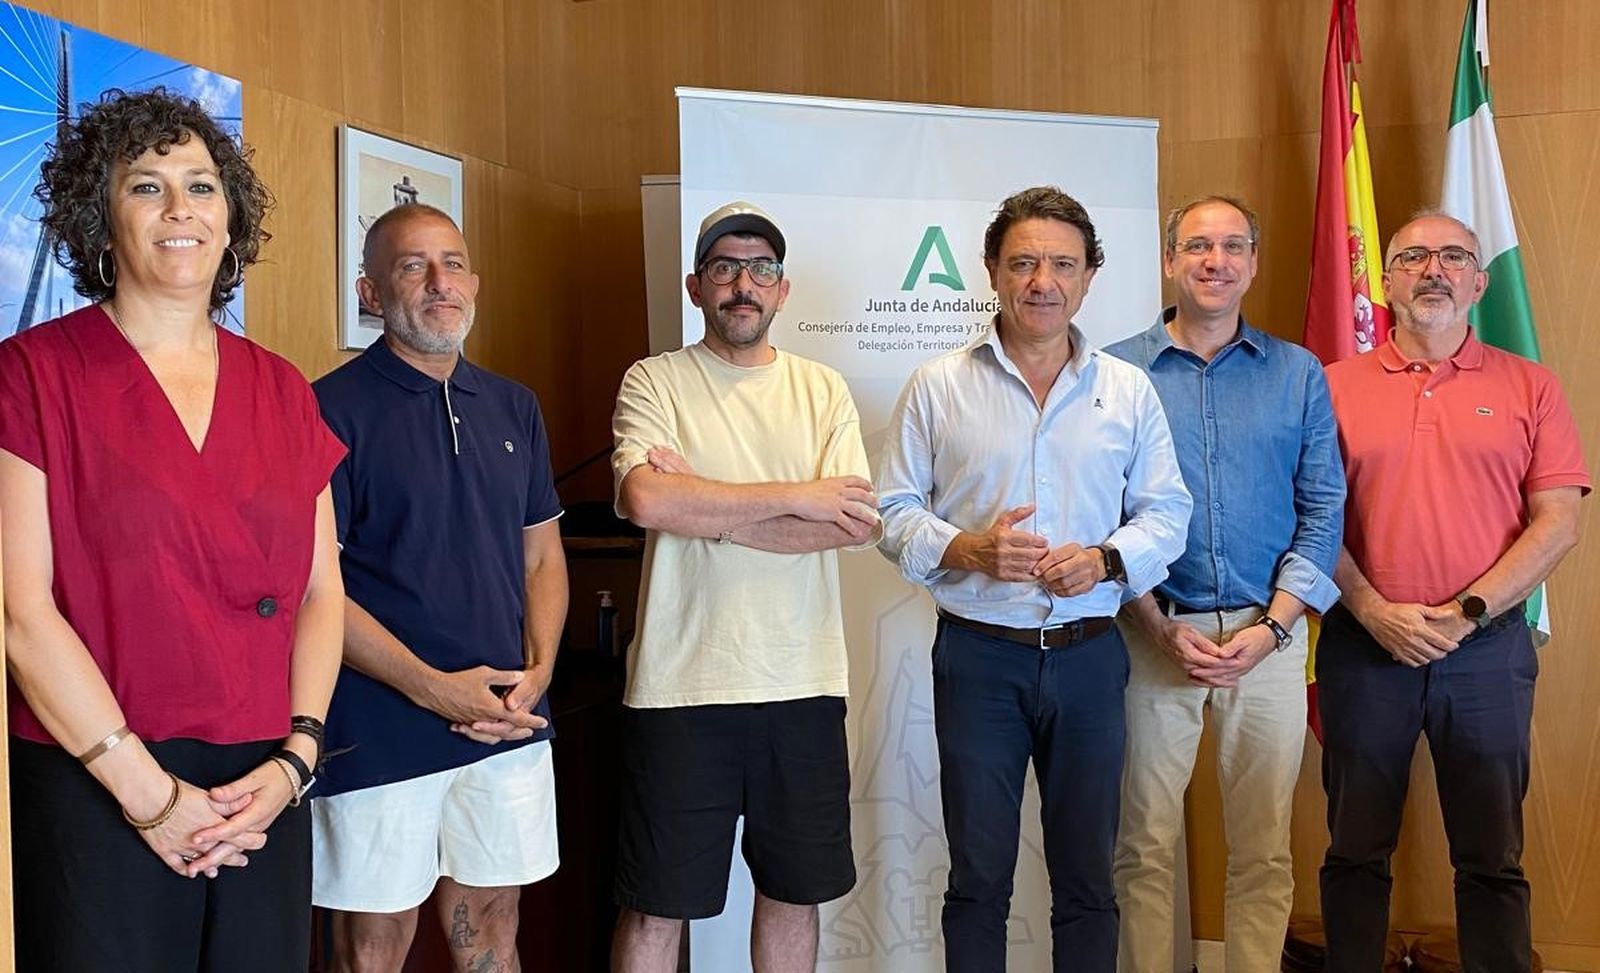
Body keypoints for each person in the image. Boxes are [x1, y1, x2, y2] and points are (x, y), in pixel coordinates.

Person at [0, 88, 344, 971]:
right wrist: (149, 795)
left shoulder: (284, 389)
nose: (180, 208)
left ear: (231, 221)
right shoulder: (31, 374)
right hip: (95, 774)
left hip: (262, 788)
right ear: (100, 218)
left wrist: (297, 758)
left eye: (201, 186)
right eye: (146, 187)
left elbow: (320, 592)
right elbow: (20, 611)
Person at [878, 186, 1192, 972]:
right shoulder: (938, 385)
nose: (1042, 281)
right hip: (979, 658)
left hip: (1090, 657)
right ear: (992, 271)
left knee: (1088, 879)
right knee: (978, 879)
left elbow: (1168, 512)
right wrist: (968, 549)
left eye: (1062, 264)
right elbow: (891, 511)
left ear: (1089, 277)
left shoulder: (1128, 390)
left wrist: (1105, 560)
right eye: (1022, 263)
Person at [609, 201, 876, 973]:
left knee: (794, 895)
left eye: (761, 268)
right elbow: (646, 499)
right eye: (725, 267)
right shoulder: (655, 380)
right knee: (656, 903)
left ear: (782, 289)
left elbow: (851, 523)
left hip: (803, 683)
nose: (743, 284)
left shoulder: (822, 389)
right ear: (696, 286)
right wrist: (797, 496)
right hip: (679, 686)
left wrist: (705, 504)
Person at [1319, 212, 1589, 973]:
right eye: (1412, 257)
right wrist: (1372, 609)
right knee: (1354, 850)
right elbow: (1310, 517)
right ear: (1386, 281)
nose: (1433, 270)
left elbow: (1559, 522)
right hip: (1365, 647)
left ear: (1480, 281)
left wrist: (1466, 613)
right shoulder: (1329, 387)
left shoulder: (1532, 385)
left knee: (1492, 855)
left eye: (1453, 257)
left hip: (1487, 653)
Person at [309, 203, 568, 973]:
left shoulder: (514, 404)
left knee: (492, 928)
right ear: (371, 291)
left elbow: (543, 558)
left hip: (506, 721)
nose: (438, 282)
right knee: (373, 944)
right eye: (412, 266)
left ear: (474, 283)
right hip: (379, 726)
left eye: (452, 263)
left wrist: (539, 671)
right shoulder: (328, 409)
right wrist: (432, 688)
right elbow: (315, 589)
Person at [1104, 196, 1344, 973]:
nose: (1217, 261)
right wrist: (1154, 622)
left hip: (1267, 637)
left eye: (1233, 245)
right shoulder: (1113, 372)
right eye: (1199, 246)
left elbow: (1323, 507)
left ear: (1253, 261)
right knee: (1141, 843)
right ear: (1169, 260)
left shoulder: (1297, 373)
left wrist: (1274, 627)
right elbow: (1099, 513)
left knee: (1264, 848)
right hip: (1150, 635)